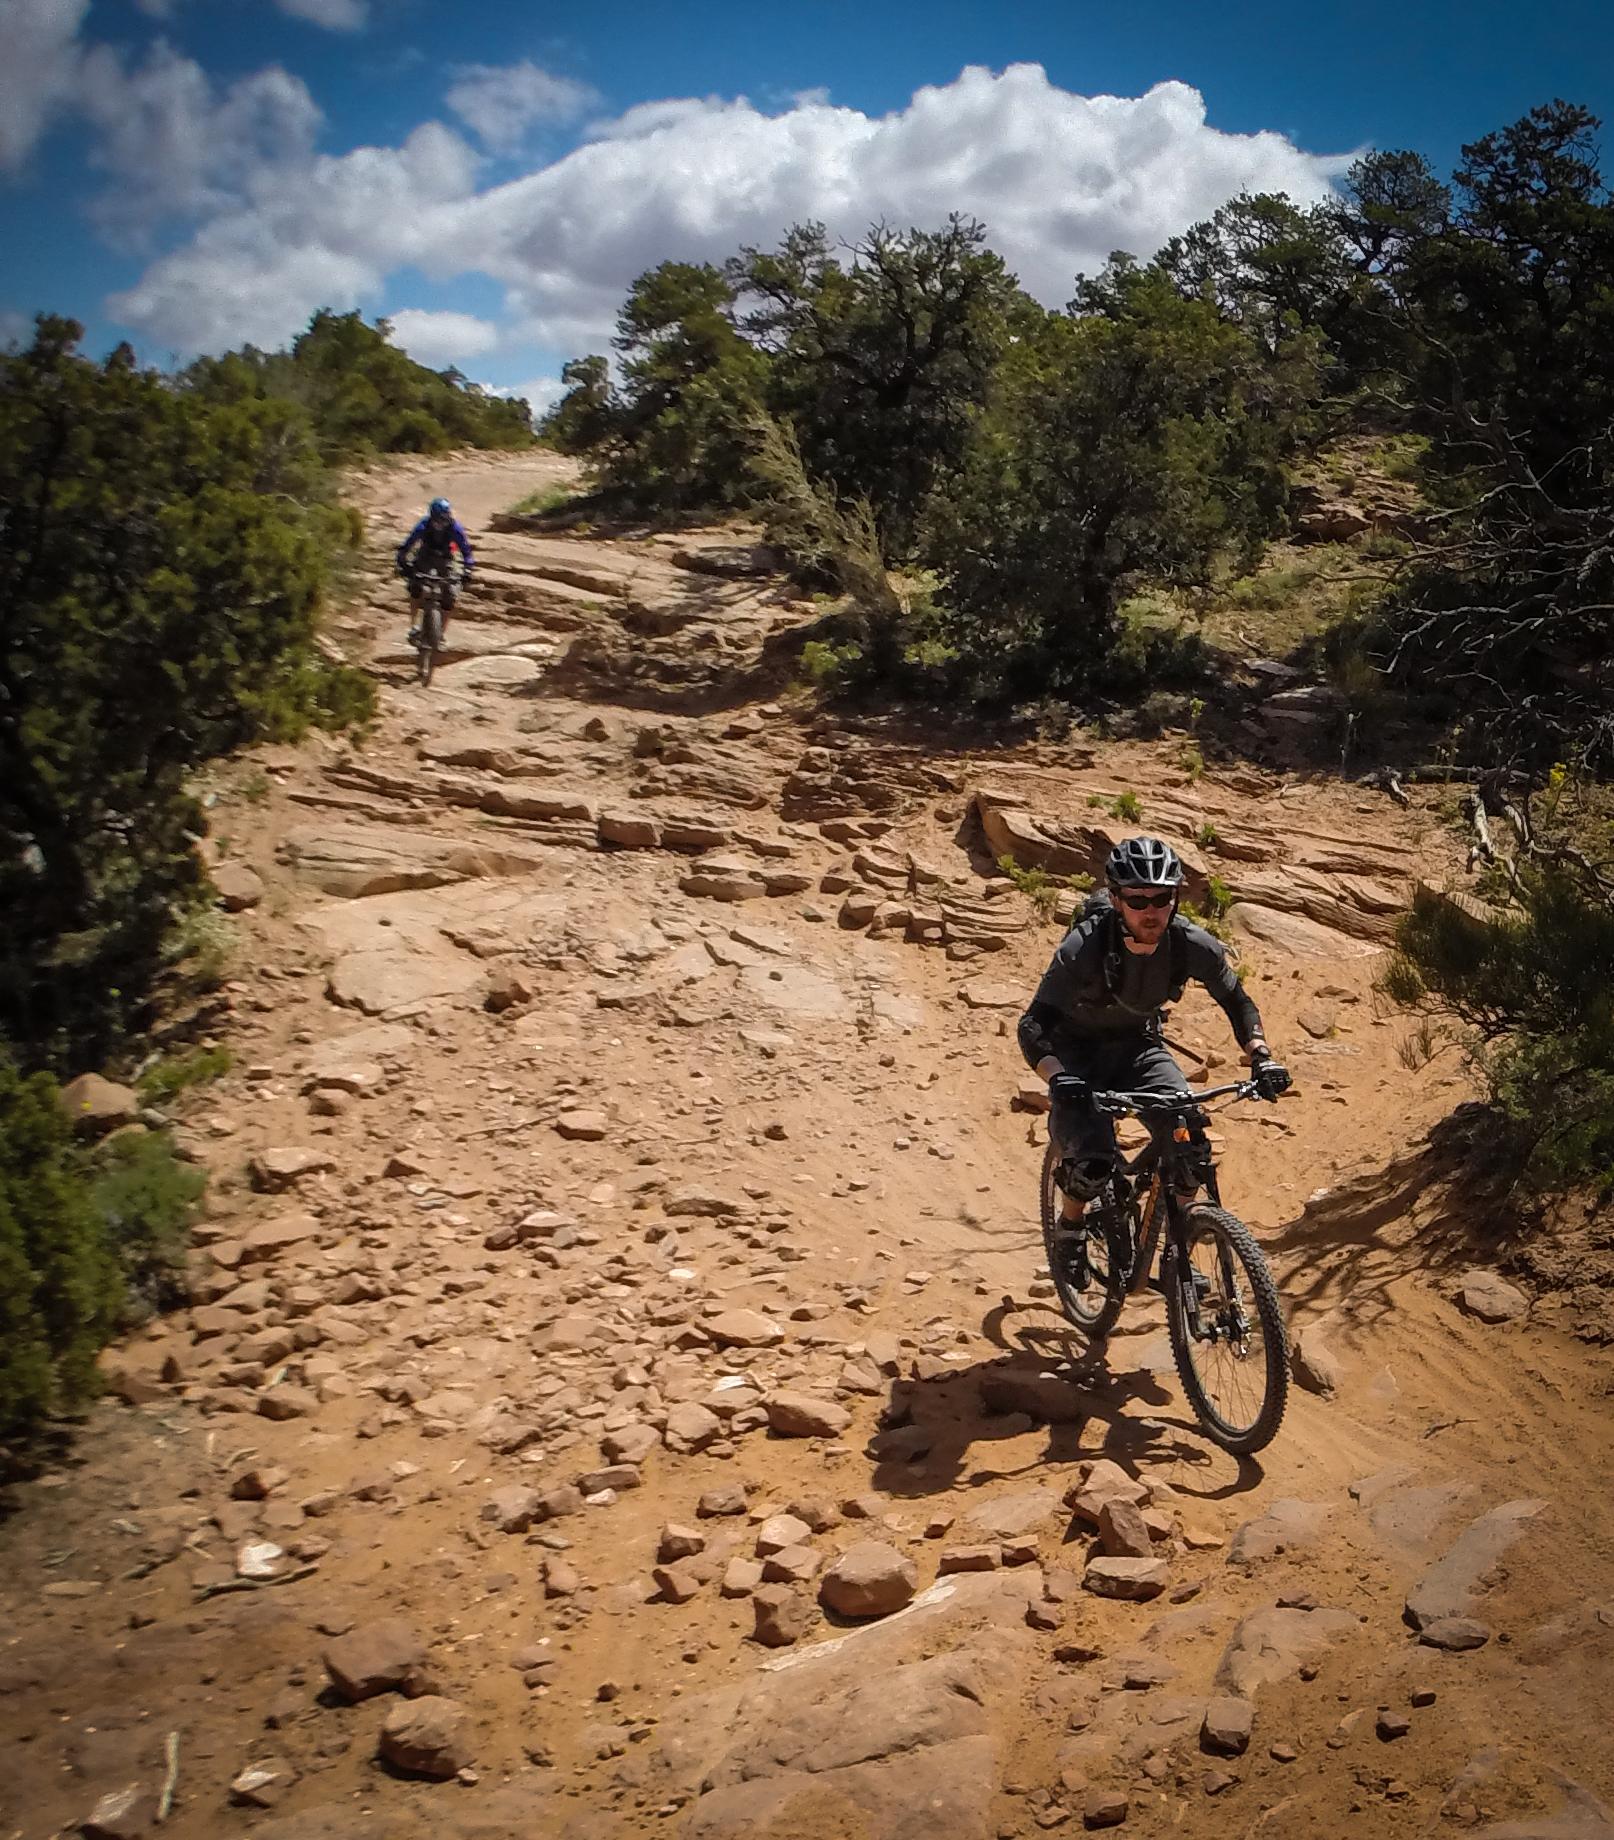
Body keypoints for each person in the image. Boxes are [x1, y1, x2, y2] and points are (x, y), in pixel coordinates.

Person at [1017, 836, 1290, 1232]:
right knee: (1091, 1163)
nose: (1151, 912)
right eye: (1138, 901)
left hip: (1136, 1047)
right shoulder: (1084, 946)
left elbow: (1236, 1000)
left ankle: (1179, 1250)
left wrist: (1262, 1055)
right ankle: (1070, 1230)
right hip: (1075, 1053)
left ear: (1174, 899)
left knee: (1191, 1148)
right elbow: (1034, 1024)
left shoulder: (1190, 944)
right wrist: (1058, 1078)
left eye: (1161, 899)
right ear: (1115, 900)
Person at [397, 497, 474, 645]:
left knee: (450, 596)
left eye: (444, 518)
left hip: (445, 559)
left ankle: (441, 635)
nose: (441, 522)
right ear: (432, 516)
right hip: (425, 556)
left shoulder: (454, 528)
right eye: (438, 519)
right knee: (415, 586)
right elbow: (409, 543)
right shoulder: (424, 526)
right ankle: (413, 626)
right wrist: (403, 562)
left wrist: (467, 569)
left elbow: (466, 550)